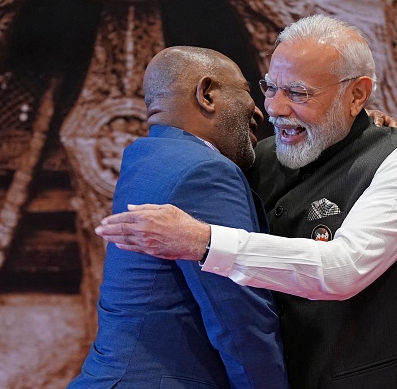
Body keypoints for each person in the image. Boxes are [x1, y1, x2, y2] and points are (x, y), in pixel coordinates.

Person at [97, 14, 397, 389]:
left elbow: (343, 268)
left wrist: (202, 241)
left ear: (356, 95)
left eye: (298, 93)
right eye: (270, 88)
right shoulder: (260, 158)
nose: (273, 108)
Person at [69, 46, 289, 388]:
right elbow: (238, 317)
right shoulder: (205, 171)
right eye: (247, 92)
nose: (259, 112)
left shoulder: (149, 160)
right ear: (207, 94)